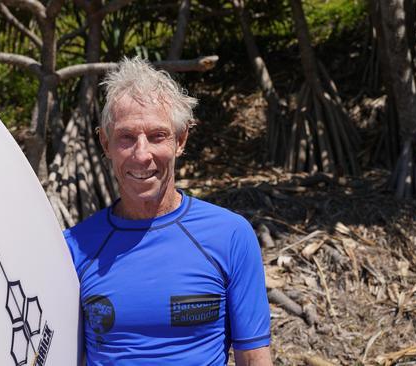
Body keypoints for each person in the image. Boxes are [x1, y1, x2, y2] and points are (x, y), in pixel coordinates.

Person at [63, 57, 272, 366]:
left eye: (157, 136)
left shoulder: (229, 236)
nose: (142, 154)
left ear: (181, 140)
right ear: (105, 143)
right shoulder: (75, 247)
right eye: (127, 137)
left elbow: (254, 359)